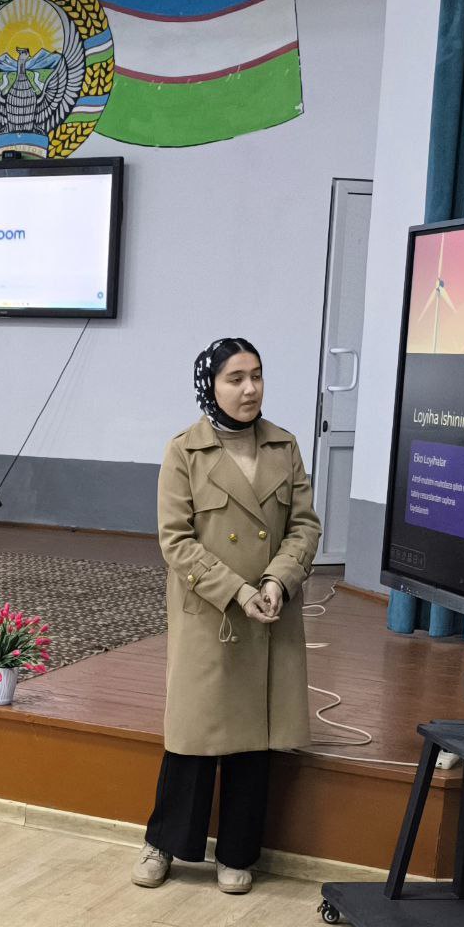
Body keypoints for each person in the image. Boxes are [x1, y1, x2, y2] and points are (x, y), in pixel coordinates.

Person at [135, 336, 322, 895]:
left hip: (270, 612)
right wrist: (237, 591)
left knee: (253, 737)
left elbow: (304, 526)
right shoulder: (184, 451)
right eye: (235, 378)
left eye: (256, 376)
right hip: (211, 612)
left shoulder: (284, 447)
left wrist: (277, 581)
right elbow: (175, 540)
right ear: (209, 386)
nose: (250, 389)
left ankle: (239, 853)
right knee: (193, 735)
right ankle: (165, 844)